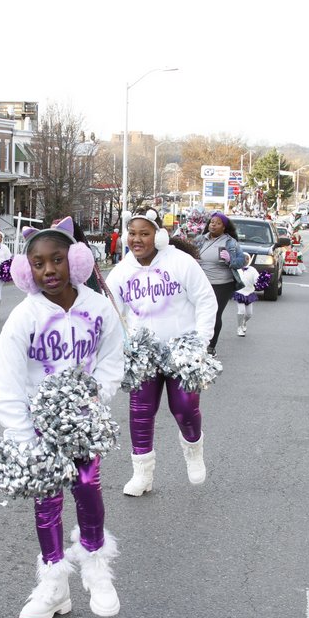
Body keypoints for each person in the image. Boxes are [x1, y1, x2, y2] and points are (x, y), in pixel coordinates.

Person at [0, 216, 123, 618]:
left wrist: (93, 399)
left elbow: (113, 358)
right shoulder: (24, 317)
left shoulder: (99, 308)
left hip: (83, 421)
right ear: (27, 269)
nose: (49, 270)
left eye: (58, 260)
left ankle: (97, 571)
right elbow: (6, 379)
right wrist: (23, 435)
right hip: (38, 426)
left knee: (87, 486)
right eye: (39, 263)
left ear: (76, 261)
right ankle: (54, 585)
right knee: (46, 501)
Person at [105, 208, 218, 495]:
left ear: (159, 236)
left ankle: (193, 450)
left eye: (144, 233)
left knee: (184, 408)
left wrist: (199, 343)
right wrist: (121, 345)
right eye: (132, 233)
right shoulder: (121, 272)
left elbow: (206, 301)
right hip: (144, 353)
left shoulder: (181, 263)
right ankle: (142, 475)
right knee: (140, 412)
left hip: (182, 351)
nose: (137, 239)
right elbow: (110, 314)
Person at [193, 212, 245, 356]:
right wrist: (192, 260)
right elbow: (188, 254)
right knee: (196, 313)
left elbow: (241, 261)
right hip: (201, 282)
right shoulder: (200, 240)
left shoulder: (230, 242)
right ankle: (197, 344)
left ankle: (210, 347)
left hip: (222, 283)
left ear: (224, 227)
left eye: (217, 223)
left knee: (214, 314)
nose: (213, 225)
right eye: (211, 222)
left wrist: (230, 260)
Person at [233, 253, 260, 336]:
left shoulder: (252, 270)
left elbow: (257, 279)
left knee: (249, 314)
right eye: (243, 258)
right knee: (241, 310)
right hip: (239, 292)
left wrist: (260, 282)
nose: (245, 260)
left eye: (247, 259)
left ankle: (244, 322)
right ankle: (239, 328)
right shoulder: (236, 269)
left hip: (249, 293)